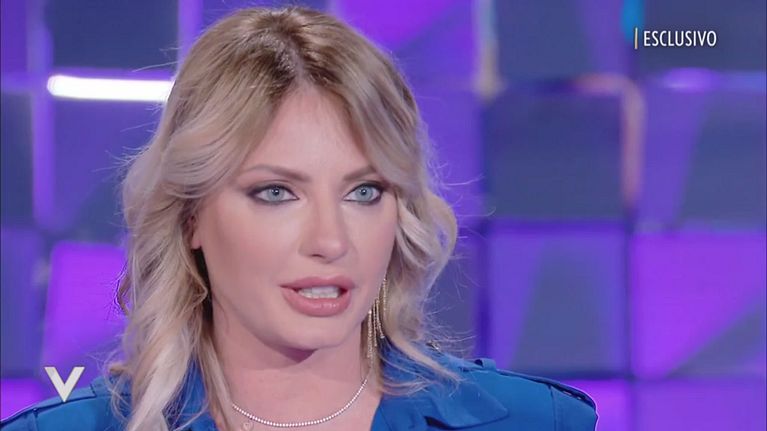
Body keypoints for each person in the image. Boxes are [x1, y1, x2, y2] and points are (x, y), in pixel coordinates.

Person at [1, 6, 598, 431]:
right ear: (191, 216)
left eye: (364, 192)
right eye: (276, 192)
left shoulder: (535, 423)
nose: (330, 241)